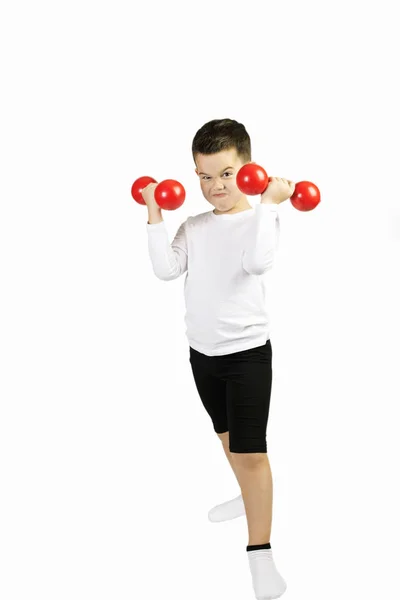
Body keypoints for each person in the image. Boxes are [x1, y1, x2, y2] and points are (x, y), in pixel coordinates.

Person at [143, 118, 294, 600]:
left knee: (252, 453)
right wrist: (153, 213)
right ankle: (245, 496)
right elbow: (166, 270)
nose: (215, 186)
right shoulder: (195, 225)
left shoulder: (261, 219)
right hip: (202, 353)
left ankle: (261, 555)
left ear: (248, 168)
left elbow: (257, 263)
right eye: (204, 176)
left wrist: (270, 204)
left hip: (246, 354)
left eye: (225, 173)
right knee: (226, 436)